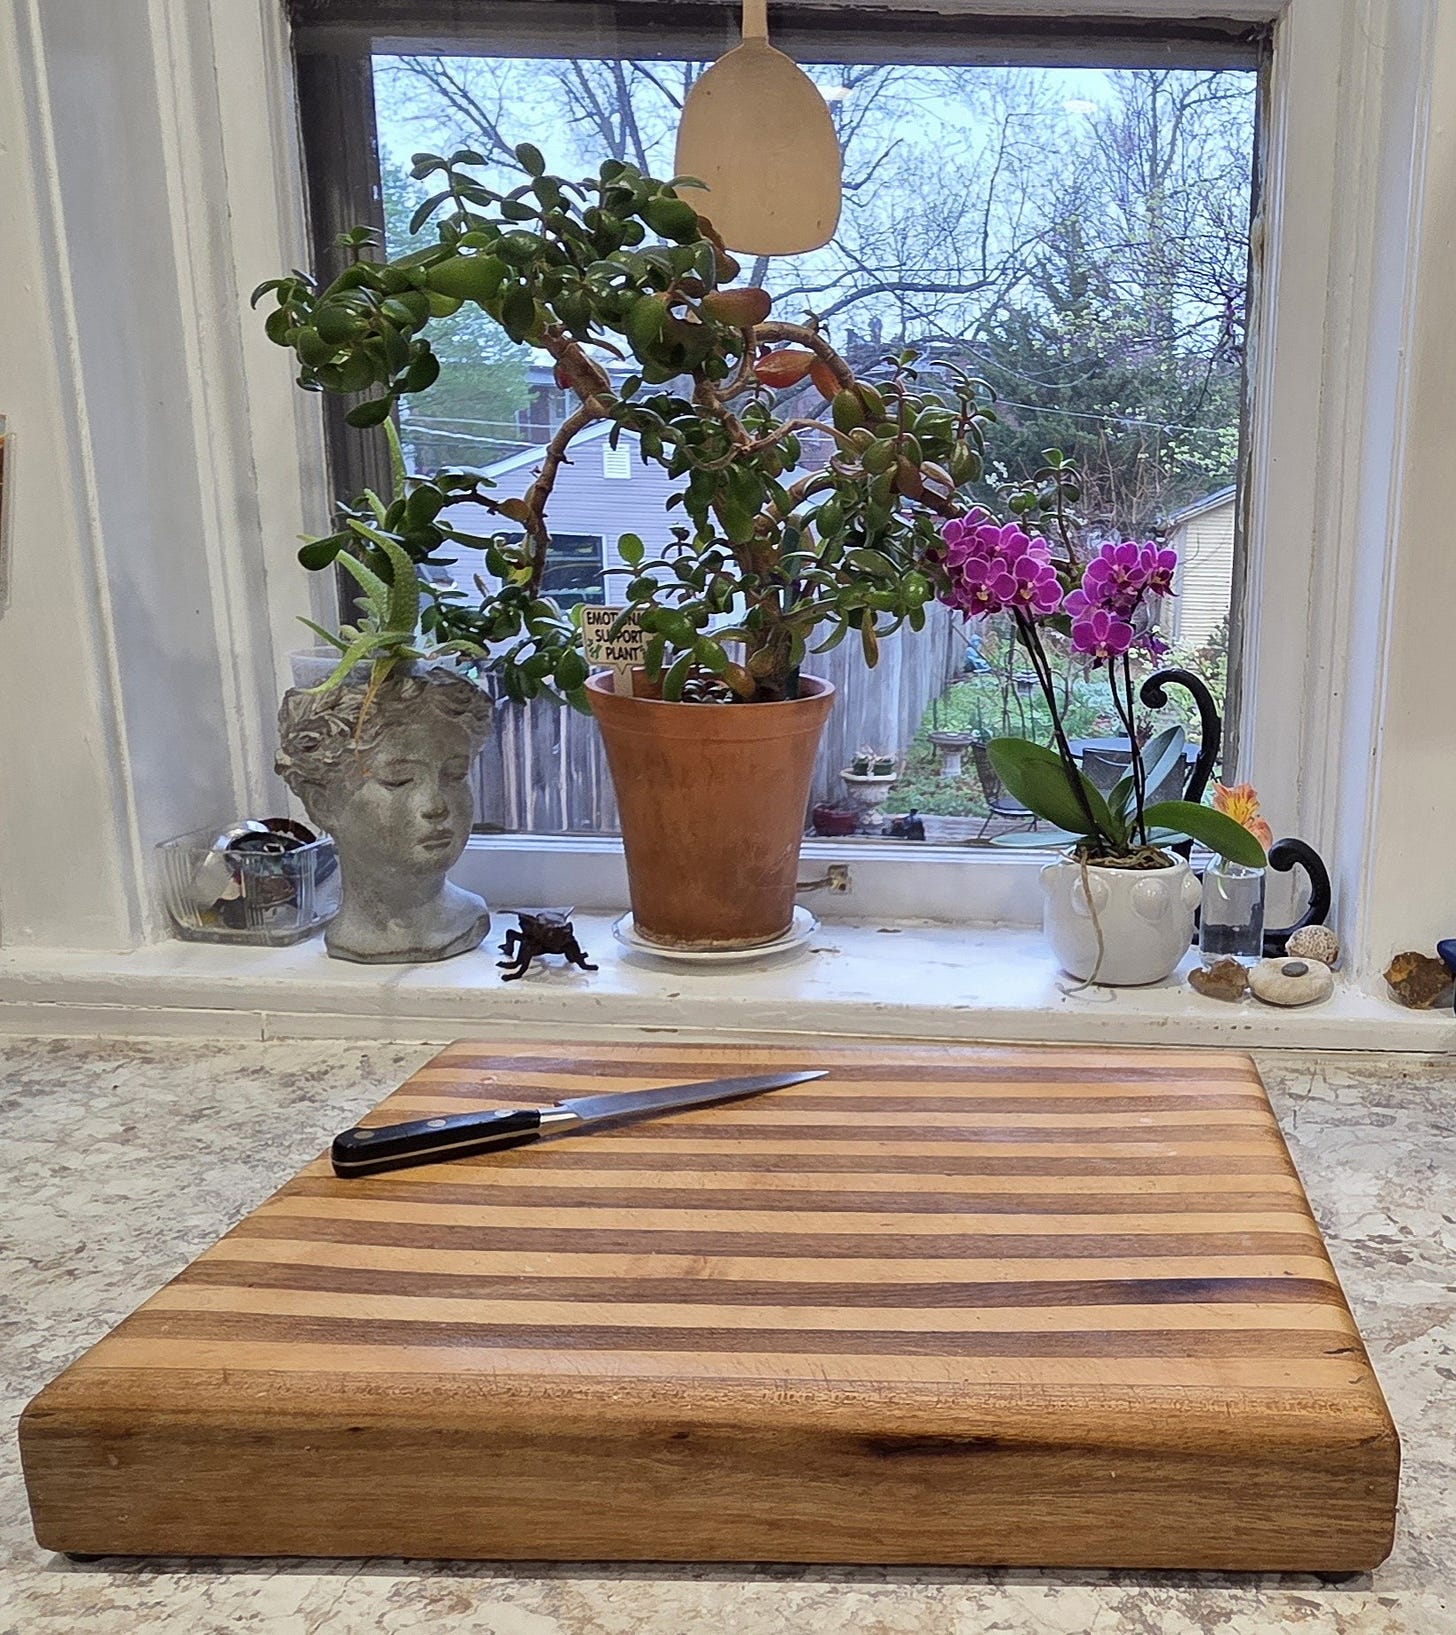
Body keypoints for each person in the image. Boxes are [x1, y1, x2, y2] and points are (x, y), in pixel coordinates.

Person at [276, 666, 492, 962]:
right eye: (398, 781)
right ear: (321, 803)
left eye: (455, 775)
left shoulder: (467, 920)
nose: (435, 806)